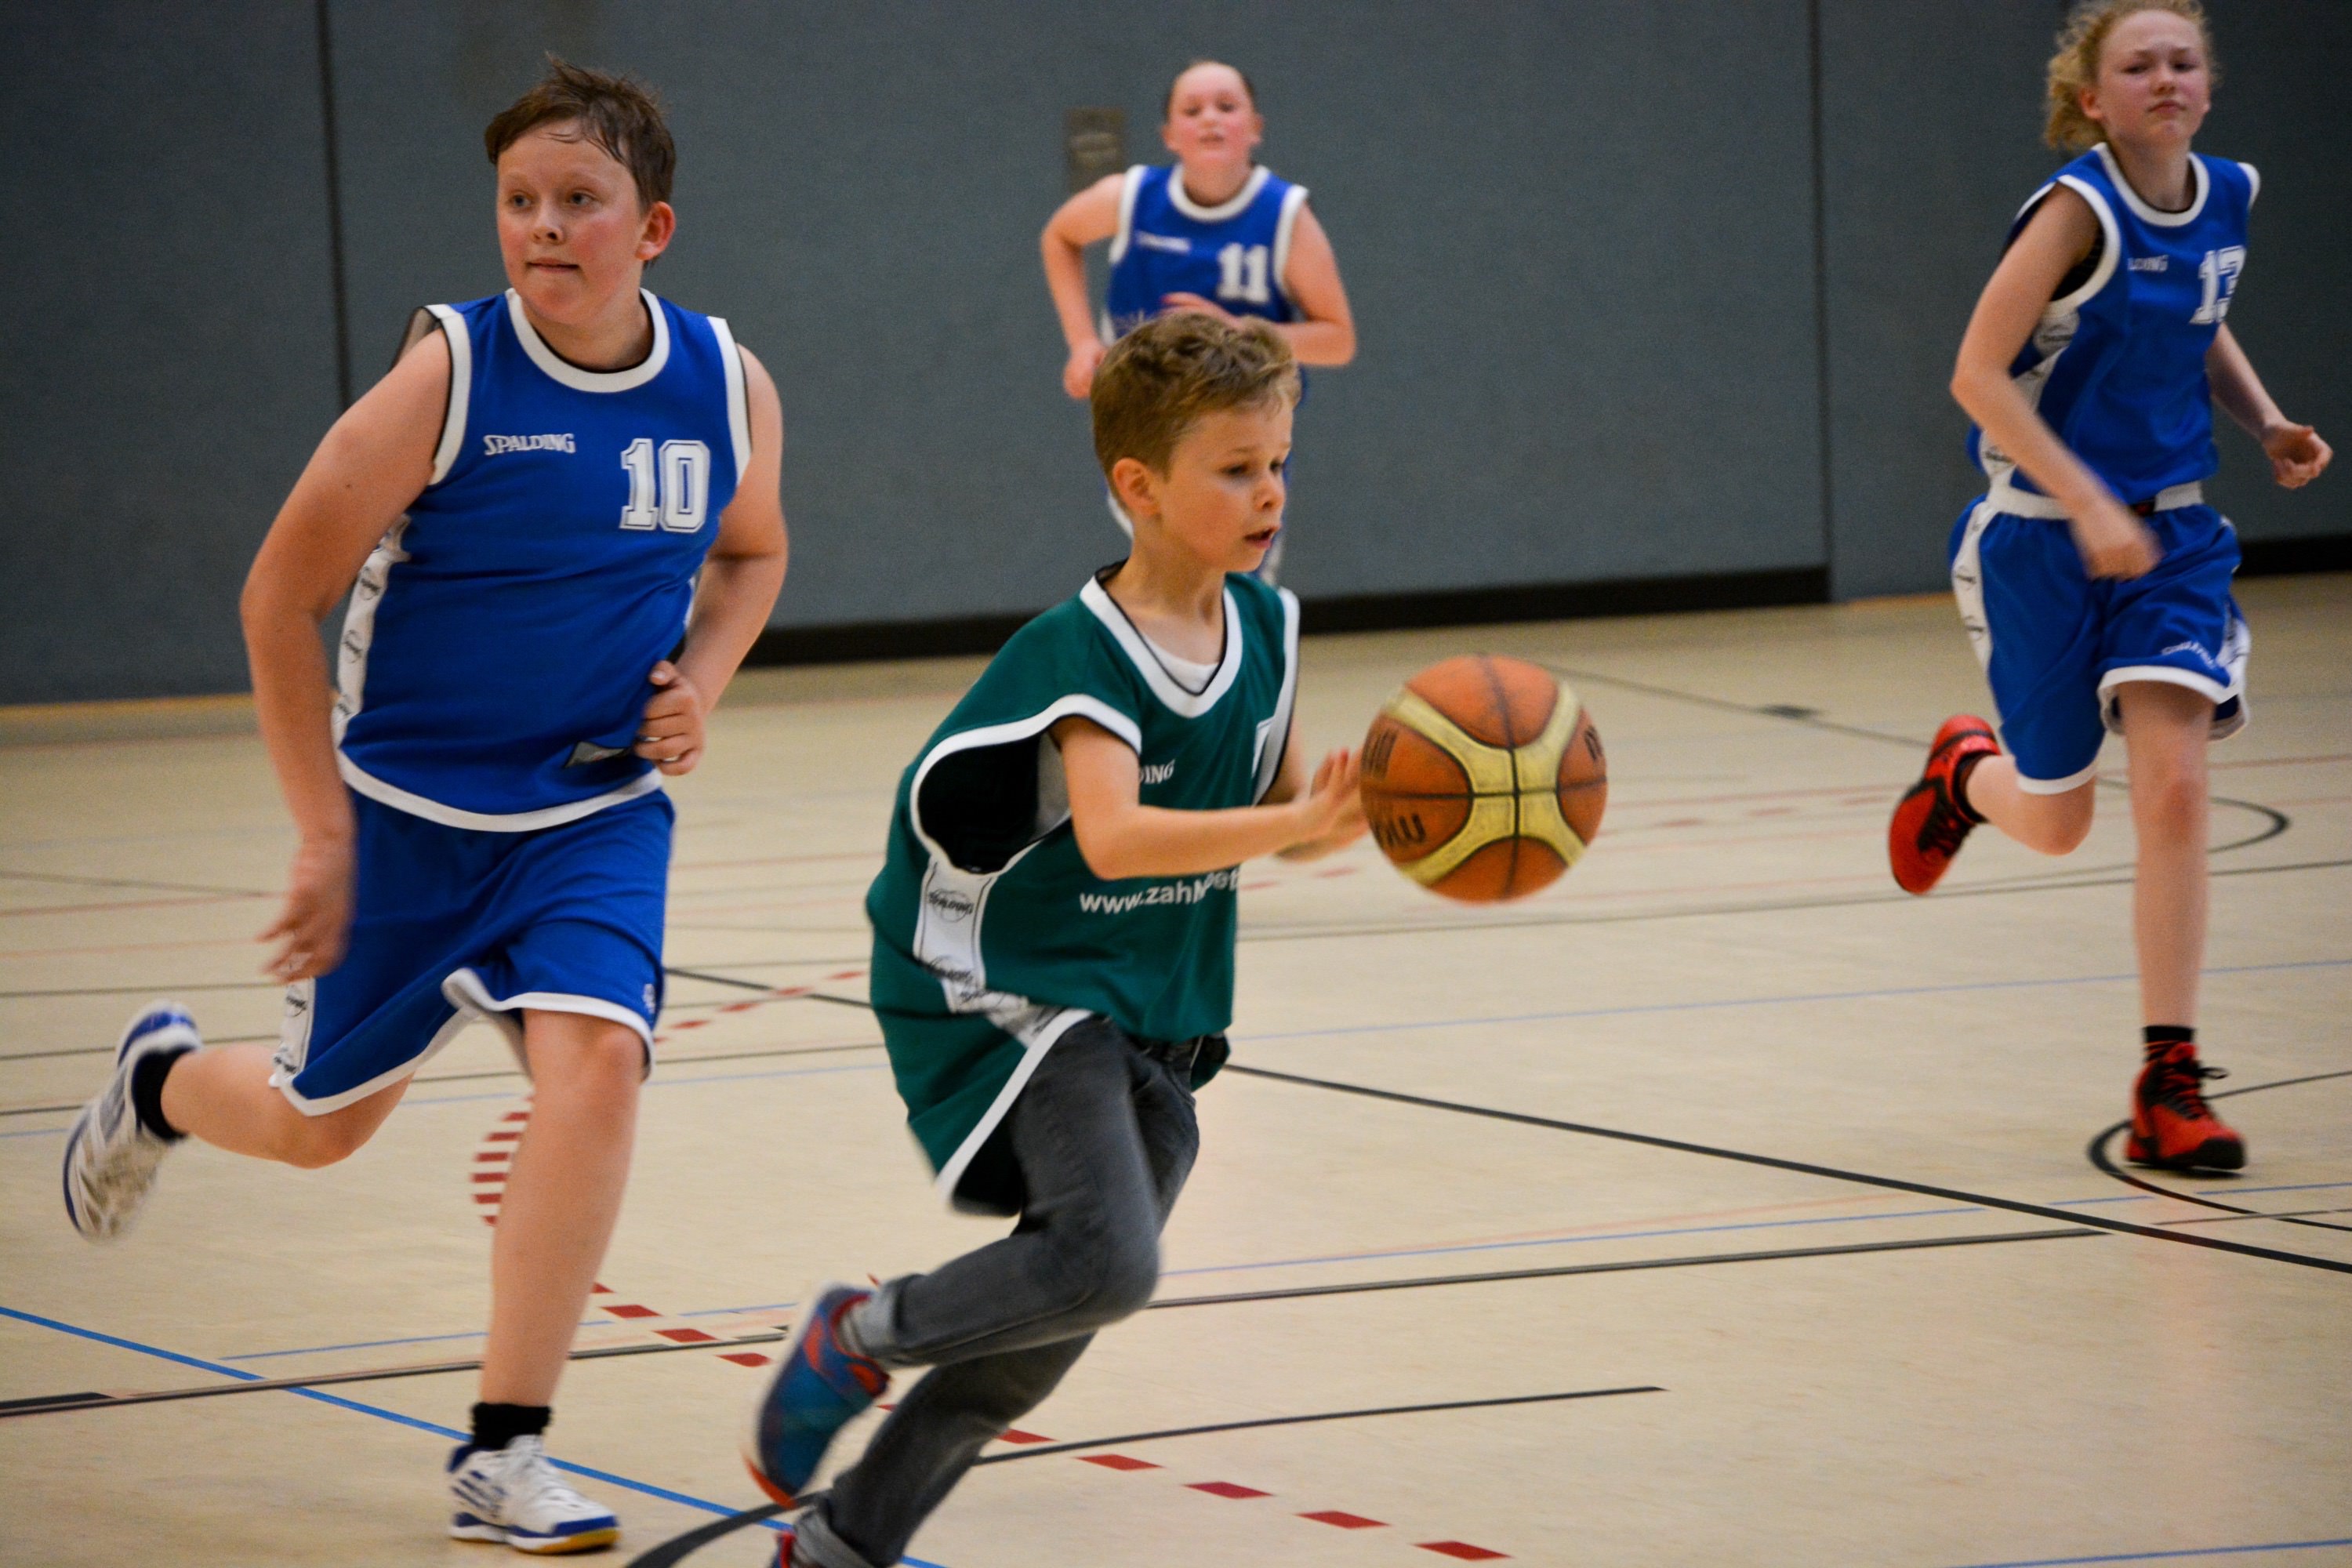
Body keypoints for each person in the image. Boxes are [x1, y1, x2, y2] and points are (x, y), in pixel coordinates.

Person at [59, 60, 789, 1553]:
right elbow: (279, 599)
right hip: (407, 816)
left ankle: (503, 1453)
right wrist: (323, 832)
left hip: (591, 812)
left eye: (579, 200)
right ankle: (160, 1086)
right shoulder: (448, 378)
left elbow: (753, 552)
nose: (544, 226)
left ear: (653, 228)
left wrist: (702, 684)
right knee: (316, 1129)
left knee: (598, 1069)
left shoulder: (727, 384)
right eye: (519, 200)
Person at [742, 313, 1364, 1568]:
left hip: (1148, 1003)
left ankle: (844, 1543)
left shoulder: (1269, 630)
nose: (1271, 492)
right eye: (1236, 469)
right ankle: (857, 1333)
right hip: (1004, 983)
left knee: (1045, 1327)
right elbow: (1118, 836)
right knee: (1108, 1263)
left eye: (1279, 463)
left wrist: (1350, 820)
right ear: (1141, 485)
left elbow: (1276, 814)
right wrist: (1291, 823)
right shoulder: (1083, 651)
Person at [1888, 0, 2328, 1171]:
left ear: (2210, 85)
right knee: (2057, 821)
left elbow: (2198, 321)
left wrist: (2267, 421)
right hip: (2042, 539)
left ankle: (2167, 1078)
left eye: (2185, 61)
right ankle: (1964, 773)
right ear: (2093, 98)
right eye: (2139, 66)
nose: (2167, 78)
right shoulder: (2074, 213)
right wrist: (2084, 498)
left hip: (2173, 540)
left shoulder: (2227, 194)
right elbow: (1977, 375)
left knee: (2175, 791)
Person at [1041, 58, 1356, 580]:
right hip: (1150, 423)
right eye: (1192, 110)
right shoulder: (1133, 197)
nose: (1210, 118)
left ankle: (1238, 630)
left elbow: (1338, 340)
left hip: (1243, 432)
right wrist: (1080, 342)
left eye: (1226, 106)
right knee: (1177, 577)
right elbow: (1060, 236)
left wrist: (1240, 330)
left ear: (1255, 127)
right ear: (1169, 135)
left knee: (1230, 580)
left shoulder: (1284, 215)